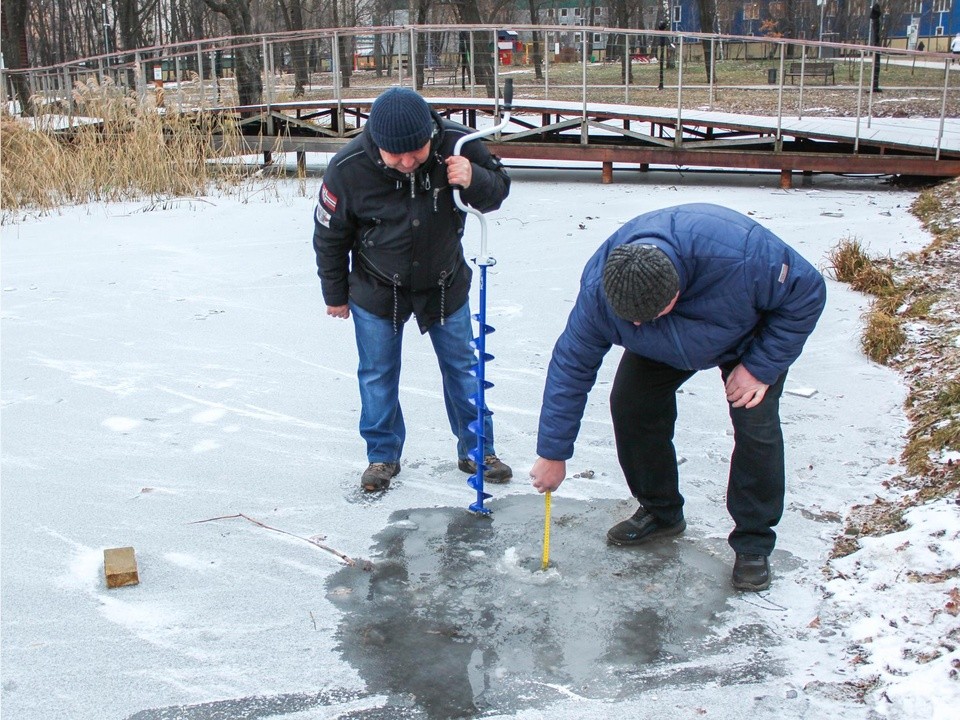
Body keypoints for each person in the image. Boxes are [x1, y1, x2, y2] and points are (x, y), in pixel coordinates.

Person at [529, 204, 827, 592]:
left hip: (746, 337)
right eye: (629, 319)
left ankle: (753, 542)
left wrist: (760, 367)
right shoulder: (602, 293)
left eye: (647, 315)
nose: (635, 324)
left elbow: (807, 292)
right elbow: (572, 365)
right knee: (632, 404)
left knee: (756, 424)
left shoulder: (743, 256)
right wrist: (553, 452)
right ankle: (661, 510)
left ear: (676, 292)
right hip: (664, 344)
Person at [313, 87, 513, 492]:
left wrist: (476, 179)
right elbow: (329, 236)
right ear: (376, 144)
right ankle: (382, 456)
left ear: (430, 135)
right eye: (394, 155)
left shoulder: (460, 144)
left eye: (416, 152)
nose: (406, 162)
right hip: (376, 286)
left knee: (462, 368)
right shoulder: (347, 168)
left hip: (444, 283)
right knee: (377, 374)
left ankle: (478, 449)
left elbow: (498, 191)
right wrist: (334, 293)